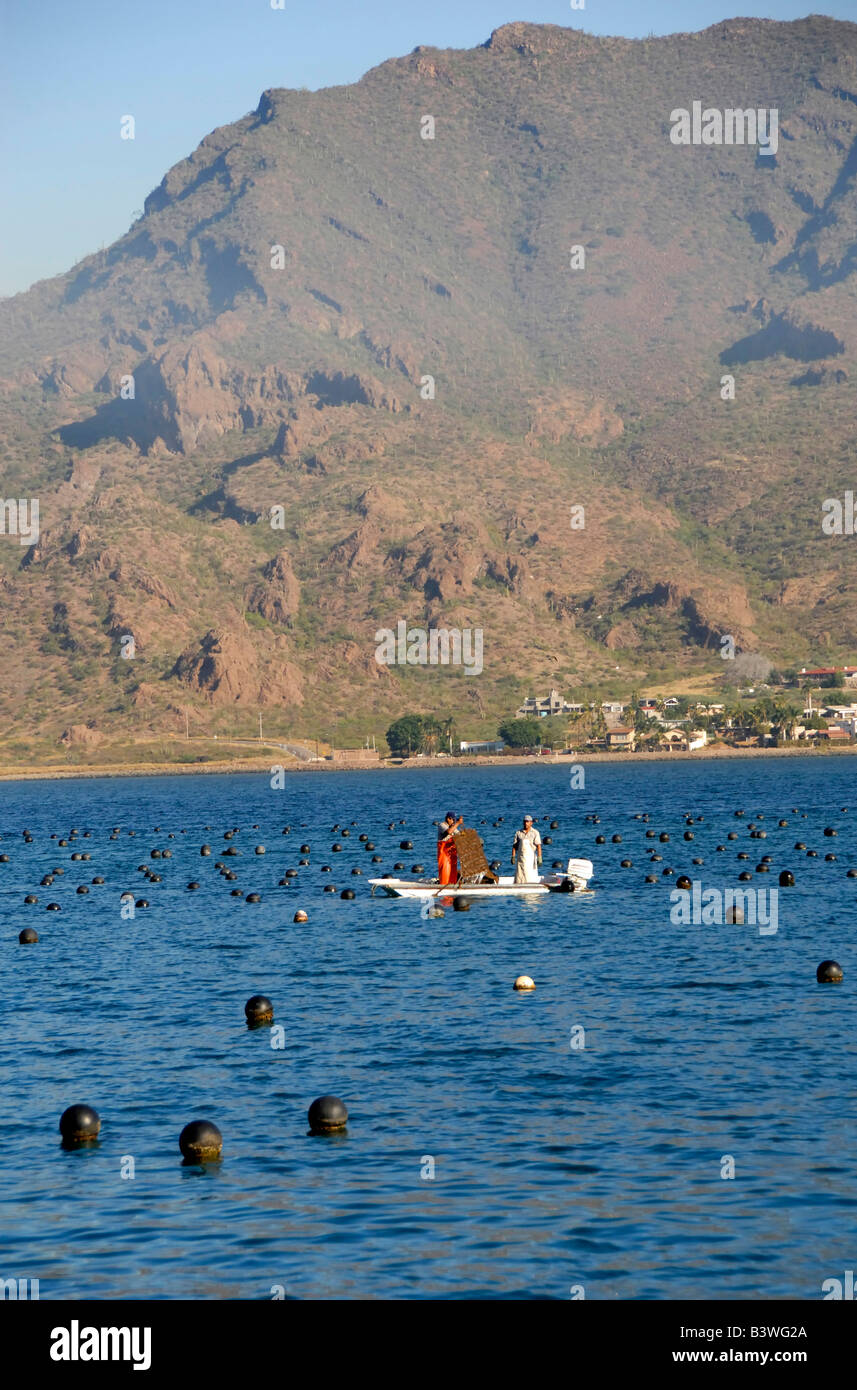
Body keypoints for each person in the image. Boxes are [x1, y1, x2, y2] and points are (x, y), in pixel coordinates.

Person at [511, 815, 542, 883]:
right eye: (525, 822)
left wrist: (540, 858)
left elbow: (538, 846)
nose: (526, 823)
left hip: (530, 859)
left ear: (531, 823)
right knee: (519, 876)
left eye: (527, 822)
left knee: (530, 875)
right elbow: (514, 846)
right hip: (520, 859)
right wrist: (513, 856)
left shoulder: (535, 833)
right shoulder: (518, 833)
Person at [437, 811, 464, 884]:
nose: (454, 822)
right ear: (448, 819)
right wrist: (458, 823)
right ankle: (444, 883)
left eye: (455, 821)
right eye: (453, 820)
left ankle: (452, 882)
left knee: (452, 869)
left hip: (451, 853)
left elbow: (459, 834)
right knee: (445, 869)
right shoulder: (442, 825)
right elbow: (449, 832)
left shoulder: (452, 827)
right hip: (443, 853)